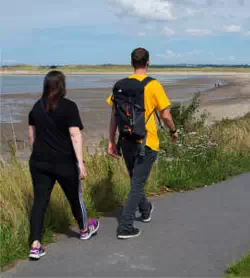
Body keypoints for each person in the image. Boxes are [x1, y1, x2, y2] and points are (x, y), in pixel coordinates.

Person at [27, 71, 100, 259]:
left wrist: (39, 153)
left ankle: (35, 244)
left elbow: (31, 138)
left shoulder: (36, 107)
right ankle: (84, 229)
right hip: (64, 162)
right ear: (62, 86)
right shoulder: (69, 107)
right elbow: (75, 136)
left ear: (45, 86)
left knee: (40, 203)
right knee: (75, 197)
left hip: (39, 162)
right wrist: (80, 163)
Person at [107, 48, 178, 239]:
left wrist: (111, 141)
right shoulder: (153, 85)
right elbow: (165, 114)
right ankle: (125, 226)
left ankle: (145, 209)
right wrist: (173, 130)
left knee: (135, 180)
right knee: (137, 184)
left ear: (132, 63)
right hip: (146, 142)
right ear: (148, 63)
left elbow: (114, 115)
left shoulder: (120, 85)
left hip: (126, 140)